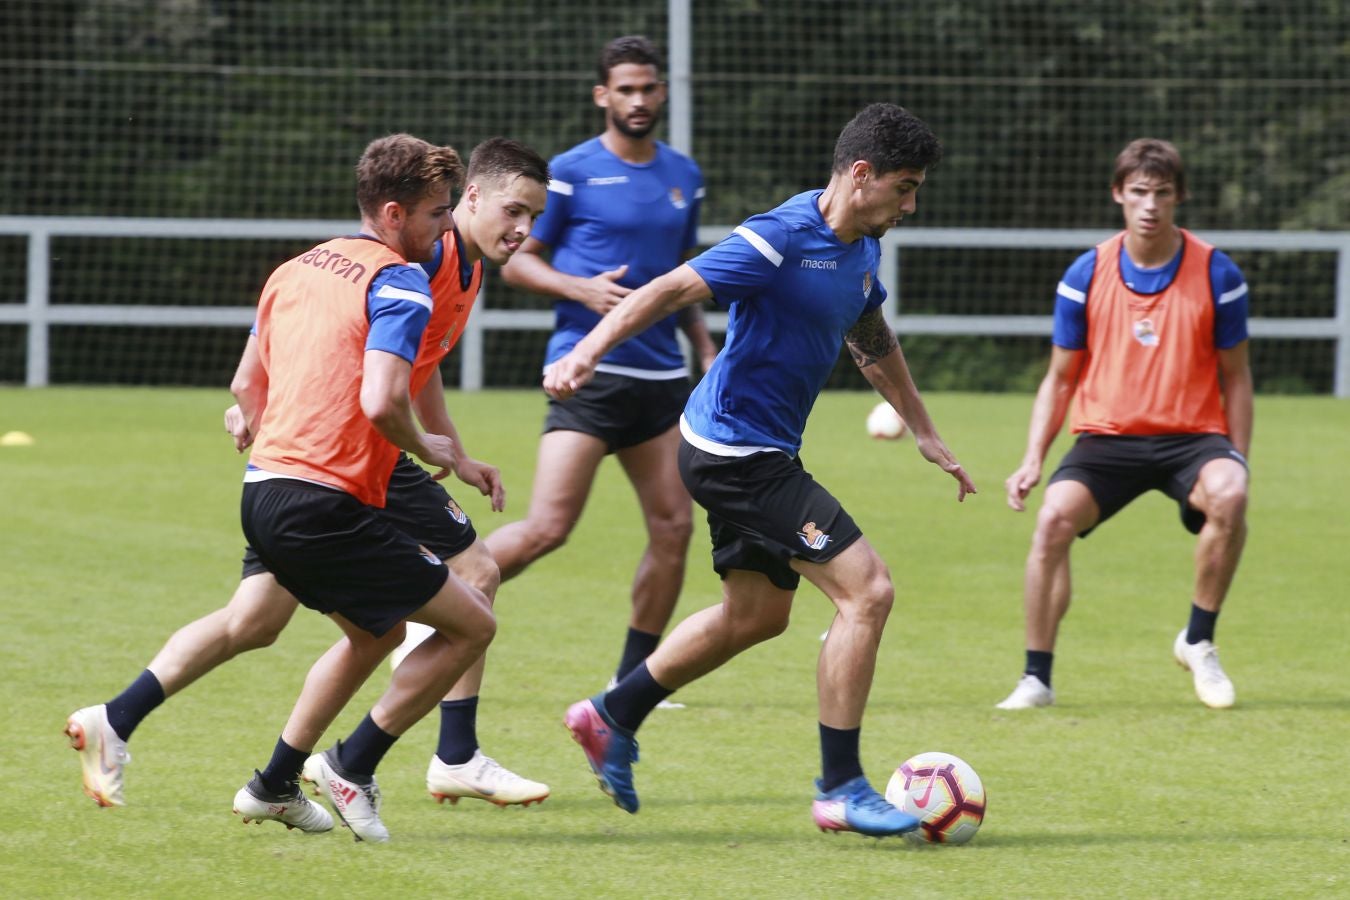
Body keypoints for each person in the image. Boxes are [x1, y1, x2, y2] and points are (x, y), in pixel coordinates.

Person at [66, 135, 547, 842]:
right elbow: (387, 391)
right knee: (472, 587)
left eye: (535, 216)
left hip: (277, 475)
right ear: (455, 202)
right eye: (509, 210)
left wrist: (453, 452)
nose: (523, 230)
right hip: (346, 469)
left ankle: (131, 722)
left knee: (257, 622)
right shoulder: (418, 264)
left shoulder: (316, 264)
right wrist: (426, 444)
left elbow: (414, 361)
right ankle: (437, 755)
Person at [544, 102, 977, 837]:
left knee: (757, 616)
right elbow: (667, 290)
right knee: (867, 592)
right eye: (904, 187)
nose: (911, 204)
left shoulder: (860, 247)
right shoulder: (778, 238)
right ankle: (839, 786)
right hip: (734, 454)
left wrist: (924, 430)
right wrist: (585, 352)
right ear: (861, 174)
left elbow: (869, 335)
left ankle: (609, 714)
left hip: (759, 448)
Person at [473, 36, 716, 698]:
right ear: (602, 95)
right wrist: (583, 290)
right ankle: (430, 599)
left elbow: (681, 278)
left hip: (660, 381)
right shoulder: (569, 172)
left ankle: (632, 680)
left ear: (661, 93)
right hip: (586, 376)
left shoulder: (683, 175)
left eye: (649, 88)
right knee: (549, 527)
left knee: (675, 527)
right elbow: (515, 260)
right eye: (626, 89)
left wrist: (703, 347)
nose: (639, 100)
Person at [996, 137, 1252, 712]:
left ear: (1179, 197)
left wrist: (1238, 457)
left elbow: (1237, 377)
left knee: (1231, 495)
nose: (1150, 205)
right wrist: (1034, 457)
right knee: (1053, 521)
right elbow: (1060, 379)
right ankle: (1036, 678)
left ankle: (1199, 640)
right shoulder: (1086, 273)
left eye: (1162, 193)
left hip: (1192, 439)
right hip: (1107, 438)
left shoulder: (1218, 273)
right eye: (1139, 192)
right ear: (1118, 194)